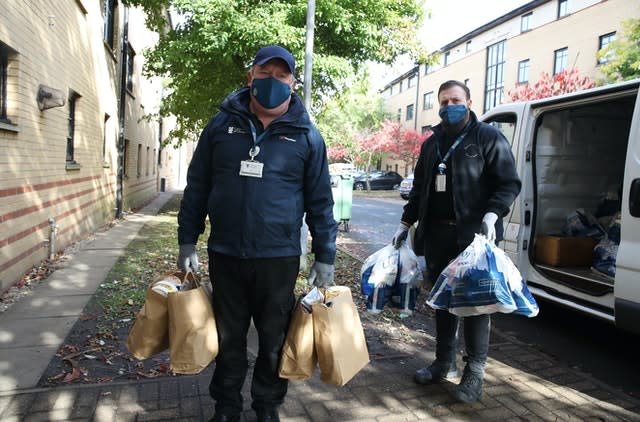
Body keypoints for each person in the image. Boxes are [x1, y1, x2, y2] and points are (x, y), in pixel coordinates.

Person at [177, 45, 338, 422]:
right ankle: (226, 407)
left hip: (277, 258)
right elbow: (197, 185)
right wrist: (188, 239)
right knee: (229, 340)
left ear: (293, 83)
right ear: (250, 77)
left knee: (272, 342)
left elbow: (321, 202)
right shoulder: (220, 126)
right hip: (226, 252)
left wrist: (325, 255)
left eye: (281, 76)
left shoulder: (307, 137)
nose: (272, 82)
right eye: (264, 74)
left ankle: (267, 407)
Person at [392, 80, 521, 404]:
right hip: (437, 237)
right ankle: (443, 363)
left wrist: (492, 214)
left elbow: (508, 183)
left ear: (469, 101)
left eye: (456, 100)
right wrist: (406, 223)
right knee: (443, 303)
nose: (450, 106)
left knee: (477, 306)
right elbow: (420, 187)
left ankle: (474, 374)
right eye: (444, 101)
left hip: (475, 239)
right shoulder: (432, 143)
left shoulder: (488, 138)